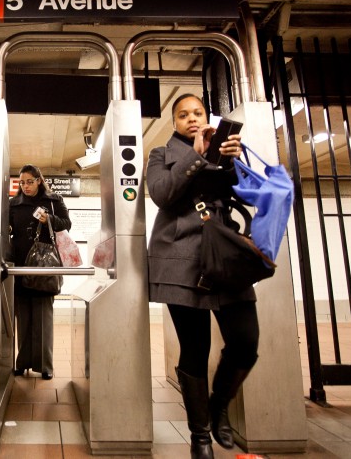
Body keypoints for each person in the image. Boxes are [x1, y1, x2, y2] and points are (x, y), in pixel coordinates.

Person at [146, 94, 254, 459]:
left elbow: (248, 195)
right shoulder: (161, 155)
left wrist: (237, 161)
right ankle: (200, 436)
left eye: (198, 113)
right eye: (183, 115)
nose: (192, 119)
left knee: (245, 341)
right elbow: (163, 194)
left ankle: (219, 404)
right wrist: (195, 154)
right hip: (182, 261)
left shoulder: (227, 152)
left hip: (225, 257)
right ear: (174, 122)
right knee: (195, 348)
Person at [8, 164, 71, 380]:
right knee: (23, 317)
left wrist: (49, 220)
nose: (25, 186)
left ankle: (45, 366)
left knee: (43, 316)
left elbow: (66, 224)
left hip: (45, 265)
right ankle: (22, 362)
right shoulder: (13, 205)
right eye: (22, 182)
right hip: (20, 265)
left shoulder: (54, 201)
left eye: (30, 181)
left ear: (39, 180)